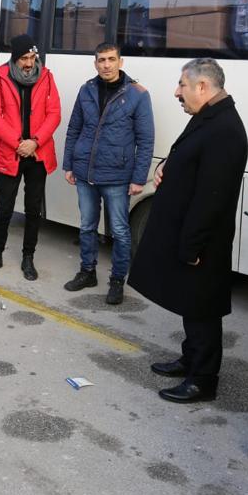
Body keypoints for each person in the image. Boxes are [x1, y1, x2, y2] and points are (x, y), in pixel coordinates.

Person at [128, 58, 247, 404]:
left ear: (203, 87)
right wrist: (168, 167)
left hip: (203, 241)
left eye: (182, 85)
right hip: (191, 235)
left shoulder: (224, 128)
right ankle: (191, 358)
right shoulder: (209, 117)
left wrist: (192, 246)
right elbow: (191, 160)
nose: (176, 92)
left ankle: (203, 379)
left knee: (203, 309)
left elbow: (213, 197)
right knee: (190, 304)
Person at [61, 43, 154, 304]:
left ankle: (117, 281)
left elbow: (145, 140)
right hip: (85, 171)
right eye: (101, 60)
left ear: (121, 62)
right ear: (95, 63)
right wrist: (68, 164)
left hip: (117, 175)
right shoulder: (86, 90)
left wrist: (138, 178)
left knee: (121, 231)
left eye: (111, 59)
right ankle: (87, 272)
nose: (106, 65)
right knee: (87, 225)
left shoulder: (137, 94)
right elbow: (73, 129)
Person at [0, 34, 62, 280]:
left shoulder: (46, 77)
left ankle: (28, 257)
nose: (29, 63)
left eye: (32, 57)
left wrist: (35, 142)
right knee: (4, 207)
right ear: (14, 58)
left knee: (33, 209)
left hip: (37, 154)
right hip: (11, 153)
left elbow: (55, 113)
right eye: (23, 59)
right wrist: (18, 144)